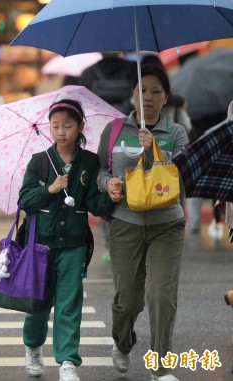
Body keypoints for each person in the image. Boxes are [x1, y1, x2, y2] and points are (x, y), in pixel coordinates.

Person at [96, 64, 188, 381]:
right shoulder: (114, 130)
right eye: (142, 90)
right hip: (125, 223)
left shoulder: (175, 132)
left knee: (161, 296)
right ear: (133, 94)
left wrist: (155, 150)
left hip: (167, 224)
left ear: (166, 99)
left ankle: (161, 367)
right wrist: (107, 183)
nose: (148, 97)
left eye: (155, 92)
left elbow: (180, 176)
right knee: (127, 300)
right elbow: (99, 170)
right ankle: (123, 342)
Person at [18, 99, 118, 381]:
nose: (61, 131)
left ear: (80, 127)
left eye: (68, 125)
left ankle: (67, 361)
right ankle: (33, 346)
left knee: (69, 303)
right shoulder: (39, 162)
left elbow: (94, 205)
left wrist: (110, 197)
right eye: (55, 125)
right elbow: (25, 199)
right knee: (38, 303)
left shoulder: (89, 161)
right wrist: (50, 189)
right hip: (41, 244)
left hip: (75, 243)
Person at [80, 52, 137, 262]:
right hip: (129, 132)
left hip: (100, 132)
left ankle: (109, 243)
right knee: (131, 178)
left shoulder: (89, 74)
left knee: (105, 180)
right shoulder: (133, 71)